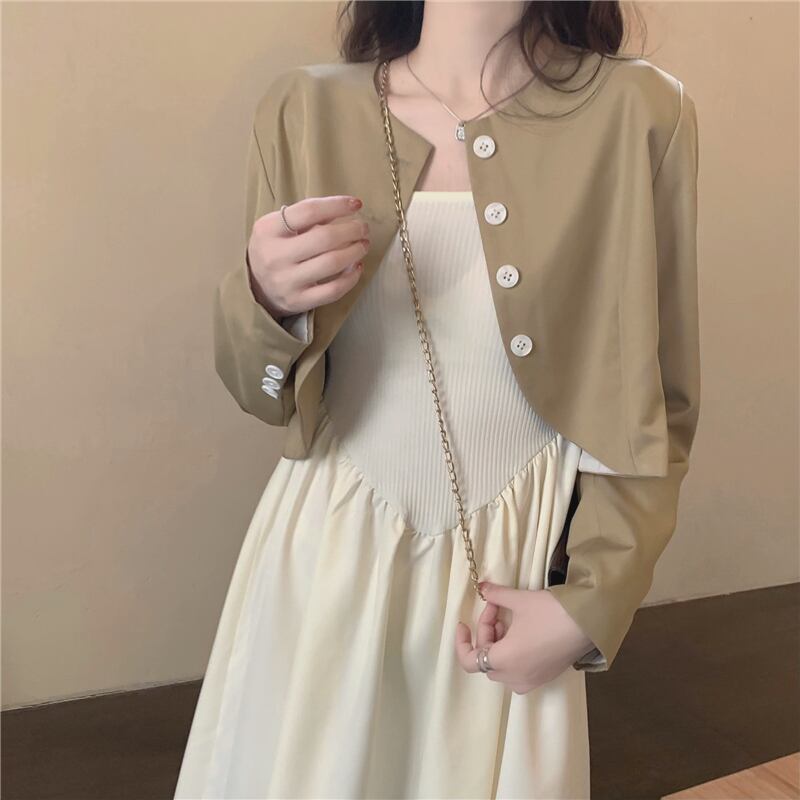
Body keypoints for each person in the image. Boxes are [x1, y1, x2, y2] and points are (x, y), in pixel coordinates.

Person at [175, 1, 700, 797]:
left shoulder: (641, 112)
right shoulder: (303, 110)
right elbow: (263, 395)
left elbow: (658, 398)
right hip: (326, 562)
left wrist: (592, 600)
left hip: (511, 586)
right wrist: (264, 300)